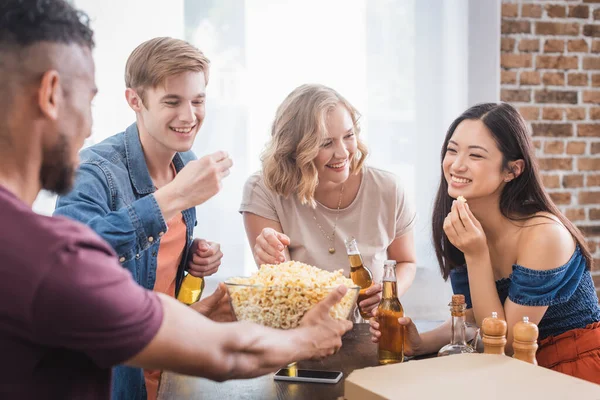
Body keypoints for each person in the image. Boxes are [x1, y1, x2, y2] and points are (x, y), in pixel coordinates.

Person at [0, 1, 352, 399]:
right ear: (50, 94)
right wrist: (306, 340)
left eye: (197, 100)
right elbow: (223, 353)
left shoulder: (183, 166)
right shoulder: (51, 250)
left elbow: (136, 309)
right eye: (86, 98)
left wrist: (198, 292)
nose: (89, 125)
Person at [53, 36, 231, 399]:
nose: (189, 115)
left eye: (198, 100)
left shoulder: (184, 164)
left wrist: (192, 252)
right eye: (172, 101)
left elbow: (150, 273)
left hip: (166, 369)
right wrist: (173, 198)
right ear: (134, 100)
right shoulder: (93, 170)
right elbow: (65, 261)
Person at [370, 102, 600, 383]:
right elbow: (472, 318)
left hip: (576, 370)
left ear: (512, 170)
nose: (456, 164)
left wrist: (477, 255)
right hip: (514, 370)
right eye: (452, 150)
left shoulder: (544, 234)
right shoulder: (463, 221)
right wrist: (419, 343)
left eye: (476, 155)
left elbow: (507, 343)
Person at [240, 84, 417, 319]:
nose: (343, 152)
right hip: (302, 332)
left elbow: (406, 261)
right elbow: (285, 288)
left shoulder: (388, 189)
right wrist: (270, 253)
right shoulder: (264, 189)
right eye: (326, 143)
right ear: (294, 147)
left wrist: (389, 292)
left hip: (372, 335)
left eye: (349, 136)